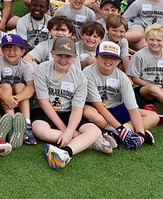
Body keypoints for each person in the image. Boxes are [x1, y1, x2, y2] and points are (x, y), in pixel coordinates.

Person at [32, 36, 116, 170]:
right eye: (59, 55)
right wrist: (66, 131)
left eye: (68, 56)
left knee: (93, 130)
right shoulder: (42, 70)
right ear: (52, 54)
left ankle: (65, 153)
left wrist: (70, 130)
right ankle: (88, 143)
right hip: (45, 112)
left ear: (75, 57)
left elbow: (77, 109)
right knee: (39, 130)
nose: (63, 60)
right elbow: (44, 102)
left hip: (69, 112)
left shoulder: (80, 77)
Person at [83, 41, 157, 150]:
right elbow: (98, 105)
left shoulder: (122, 77)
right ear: (96, 57)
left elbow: (132, 108)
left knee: (154, 116)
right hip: (98, 110)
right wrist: (120, 128)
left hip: (117, 108)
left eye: (113, 58)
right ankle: (121, 131)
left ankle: (117, 135)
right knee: (86, 111)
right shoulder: (88, 72)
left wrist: (141, 134)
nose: (108, 60)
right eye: (104, 56)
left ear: (118, 61)